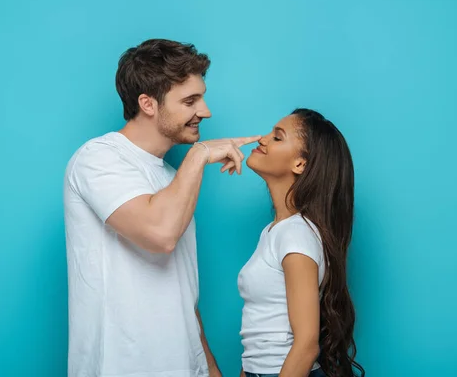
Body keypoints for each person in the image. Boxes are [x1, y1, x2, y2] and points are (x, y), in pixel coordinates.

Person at [63, 38, 260, 377]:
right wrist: (198, 156)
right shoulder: (98, 158)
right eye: (190, 100)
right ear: (148, 104)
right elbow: (160, 234)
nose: (206, 111)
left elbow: (180, 289)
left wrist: (208, 366)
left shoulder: (172, 177)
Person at [238, 108, 365, 377]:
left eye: (277, 137)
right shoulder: (274, 231)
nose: (262, 139)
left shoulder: (296, 234)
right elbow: (259, 330)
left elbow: (306, 345)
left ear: (300, 164)